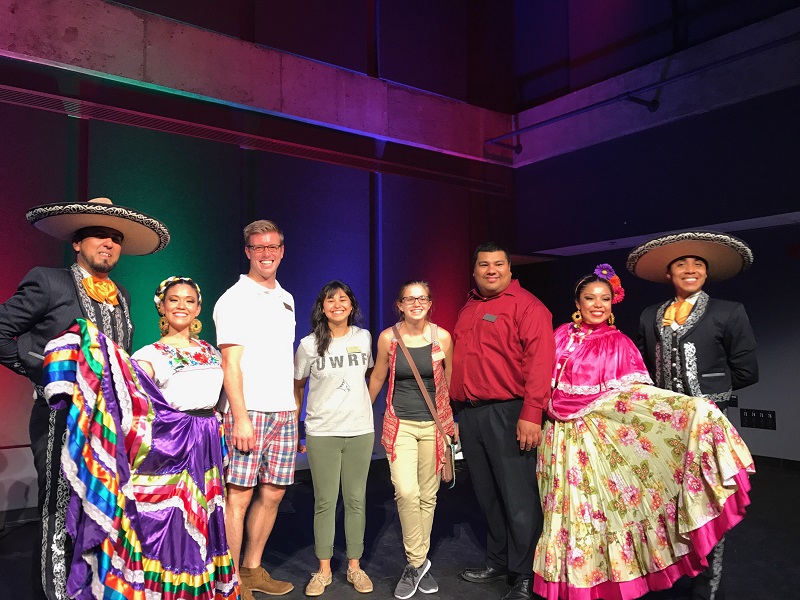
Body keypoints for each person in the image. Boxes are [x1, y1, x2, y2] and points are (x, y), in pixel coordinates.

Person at [532, 264, 754, 600]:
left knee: (594, 512)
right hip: (557, 439)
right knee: (560, 512)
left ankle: (596, 584)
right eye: (589, 298)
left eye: (604, 299)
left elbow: (640, 398)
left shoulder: (619, 343)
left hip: (595, 444)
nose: (596, 304)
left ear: (612, 303)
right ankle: (566, 584)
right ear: (577, 303)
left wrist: (695, 409)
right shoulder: (559, 335)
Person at [0, 197, 169, 600]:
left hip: (110, 426)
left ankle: (96, 590)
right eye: (98, 235)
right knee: (60, 511)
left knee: (104, 511)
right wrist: (47, 372)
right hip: (63, 420)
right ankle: (57, 593)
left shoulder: (122, 294)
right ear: (77, 243)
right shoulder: (49, 280)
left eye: (115, 238)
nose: (108, 244)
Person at [39, 276, 240, 599]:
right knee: (170, 523)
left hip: (206, 445)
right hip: (170, 447)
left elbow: (222, 399)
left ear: (198, 308)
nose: (181, 306)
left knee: (202, 518)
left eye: (189, 300)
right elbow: (129, 394)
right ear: (161, 306)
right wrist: (95, 353)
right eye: (174, 300)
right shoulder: (151, 353)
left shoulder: (211, 352)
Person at [628, 231, 759, 600]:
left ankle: (705, 586)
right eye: (681, 264)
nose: (690, 269)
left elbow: (747, 371)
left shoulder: (728, 311)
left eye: (697, 264)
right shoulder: (650, 315)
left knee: (709, 502)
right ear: (669, 274)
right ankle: (671, 570)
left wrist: (705, 399)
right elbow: (642, 368)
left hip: (707, 426)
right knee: (666, 502)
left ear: (706, 273)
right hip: (664, 430)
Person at [450, 241, 556, 600]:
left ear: (510, 270)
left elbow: (541, 364)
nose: (490, 270)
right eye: (484, 265)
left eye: (498, 264)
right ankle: (498, 561)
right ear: (475, 270)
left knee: (518, 498)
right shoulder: (469, 308)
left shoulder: (528, 307)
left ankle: (526, 574)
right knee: (487, 494)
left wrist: (532, 413)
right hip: (473, 414)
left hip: (510, 413)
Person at [213, 219, 296, 597]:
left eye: (273, 246)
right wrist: (240, 417)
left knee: (275, 492)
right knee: (240, 495)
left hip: (283, 412)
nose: (267, 253)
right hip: (250, 413)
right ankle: (229, 581)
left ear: (281, 250)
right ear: (248, 252)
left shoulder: (286, 297)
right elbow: (230, 364)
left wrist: (294, 410)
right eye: (259, 247)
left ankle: (251, 570)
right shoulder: (234, 299)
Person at [369, 281, 455, 600]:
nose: (416, 303)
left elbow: (450, 381)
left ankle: (415, 566)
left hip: (434, 426)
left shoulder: (442, 337)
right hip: (400, 424)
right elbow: (378, 375)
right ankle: (418, 562)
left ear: (430, 303)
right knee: (406, 492)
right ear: (400, 305)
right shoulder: (388, 338)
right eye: (410, 299)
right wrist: (365, 412)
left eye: (422, 298)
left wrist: (451, 426)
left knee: (428, 497)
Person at [293, 281, 375, 596]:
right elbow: (298, 384)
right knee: (325, 501)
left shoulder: (364, 338)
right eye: (331, 299)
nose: (337, 304)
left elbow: (367, 376)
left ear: (351, 306)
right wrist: (297, 425)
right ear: (322, 306)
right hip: (322, 431)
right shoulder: (308, 344)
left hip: (359, 429)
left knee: (356, 499)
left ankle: (355, 567)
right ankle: (323, 570)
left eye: (343, 299)